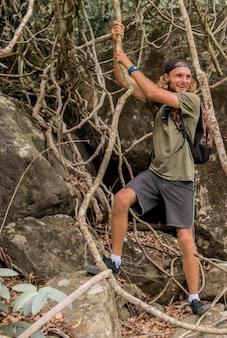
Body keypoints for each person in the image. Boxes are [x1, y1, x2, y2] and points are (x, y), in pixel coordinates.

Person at [86, 21, 210, 316]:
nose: (184, 80)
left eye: (188, 76)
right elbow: (123, 81)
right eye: (178, 76)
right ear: (167, 78)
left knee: (185, 237)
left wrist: (129, 60)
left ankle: (194, 298)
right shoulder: (161, 107)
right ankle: (114, 261)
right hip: (155, 176)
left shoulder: (191, 101)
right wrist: (117, 45)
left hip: (180, 181)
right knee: (121, 199)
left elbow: (152, 91)